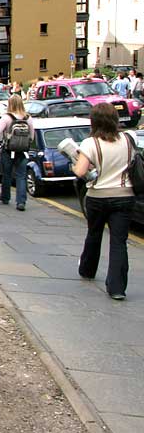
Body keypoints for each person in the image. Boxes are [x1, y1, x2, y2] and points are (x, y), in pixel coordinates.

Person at [71, 103, 135, 300]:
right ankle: (117, 288)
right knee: (119, 242)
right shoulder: (127, 139)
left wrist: (74, 165)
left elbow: (81, 172)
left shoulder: (91, 143)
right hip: (124, 195)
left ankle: (88, 269)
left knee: (94, 233)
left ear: (94, 121)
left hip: (98, 196)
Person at [0, 94, 34, 211]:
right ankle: (21, 202)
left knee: (7, 174)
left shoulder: (6, 118)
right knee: (21, 176)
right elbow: (32, 137)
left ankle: (5, 197)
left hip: (8, 150)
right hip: (23, 151)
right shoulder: (28, 118)